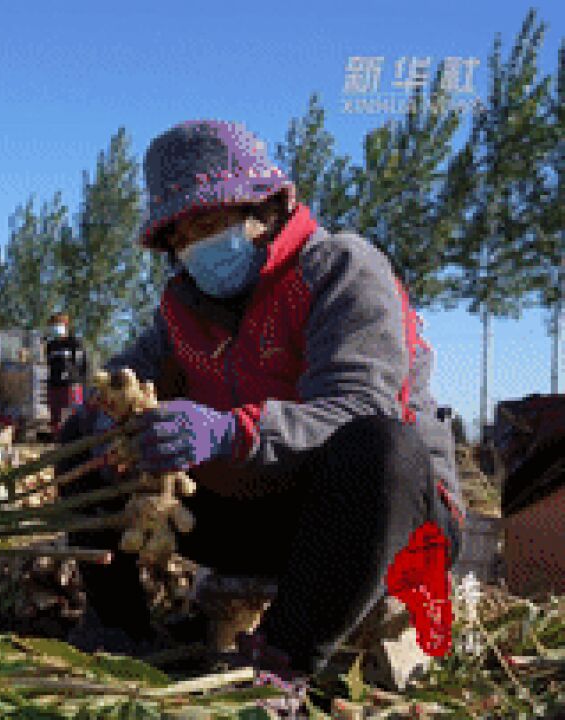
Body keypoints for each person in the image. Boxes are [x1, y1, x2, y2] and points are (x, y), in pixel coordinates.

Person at [57, 120, 466, 688]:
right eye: (177, 238)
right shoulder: (184, 307)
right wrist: (111, 421)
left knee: (382, 445)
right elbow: (124, 379)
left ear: (265, 208)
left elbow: (359, 404)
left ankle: (284, 658)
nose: (193, 247)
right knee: (86, 434)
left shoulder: (339, 270)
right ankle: (123, 631)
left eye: (207, 223)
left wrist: (229, 432)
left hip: (378, 517)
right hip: (259, 512)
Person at [44, 313, 88, 432]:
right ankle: (58, 442)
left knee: (73, 417)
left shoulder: (75, 343)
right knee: (55, 418)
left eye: (57, 324)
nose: (54, 328)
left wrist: (80, 384)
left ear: (65, 325)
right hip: (55, 385)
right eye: (52, 326)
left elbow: (82, 366)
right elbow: (49, 364)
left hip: (72, 386)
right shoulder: (50, 346)